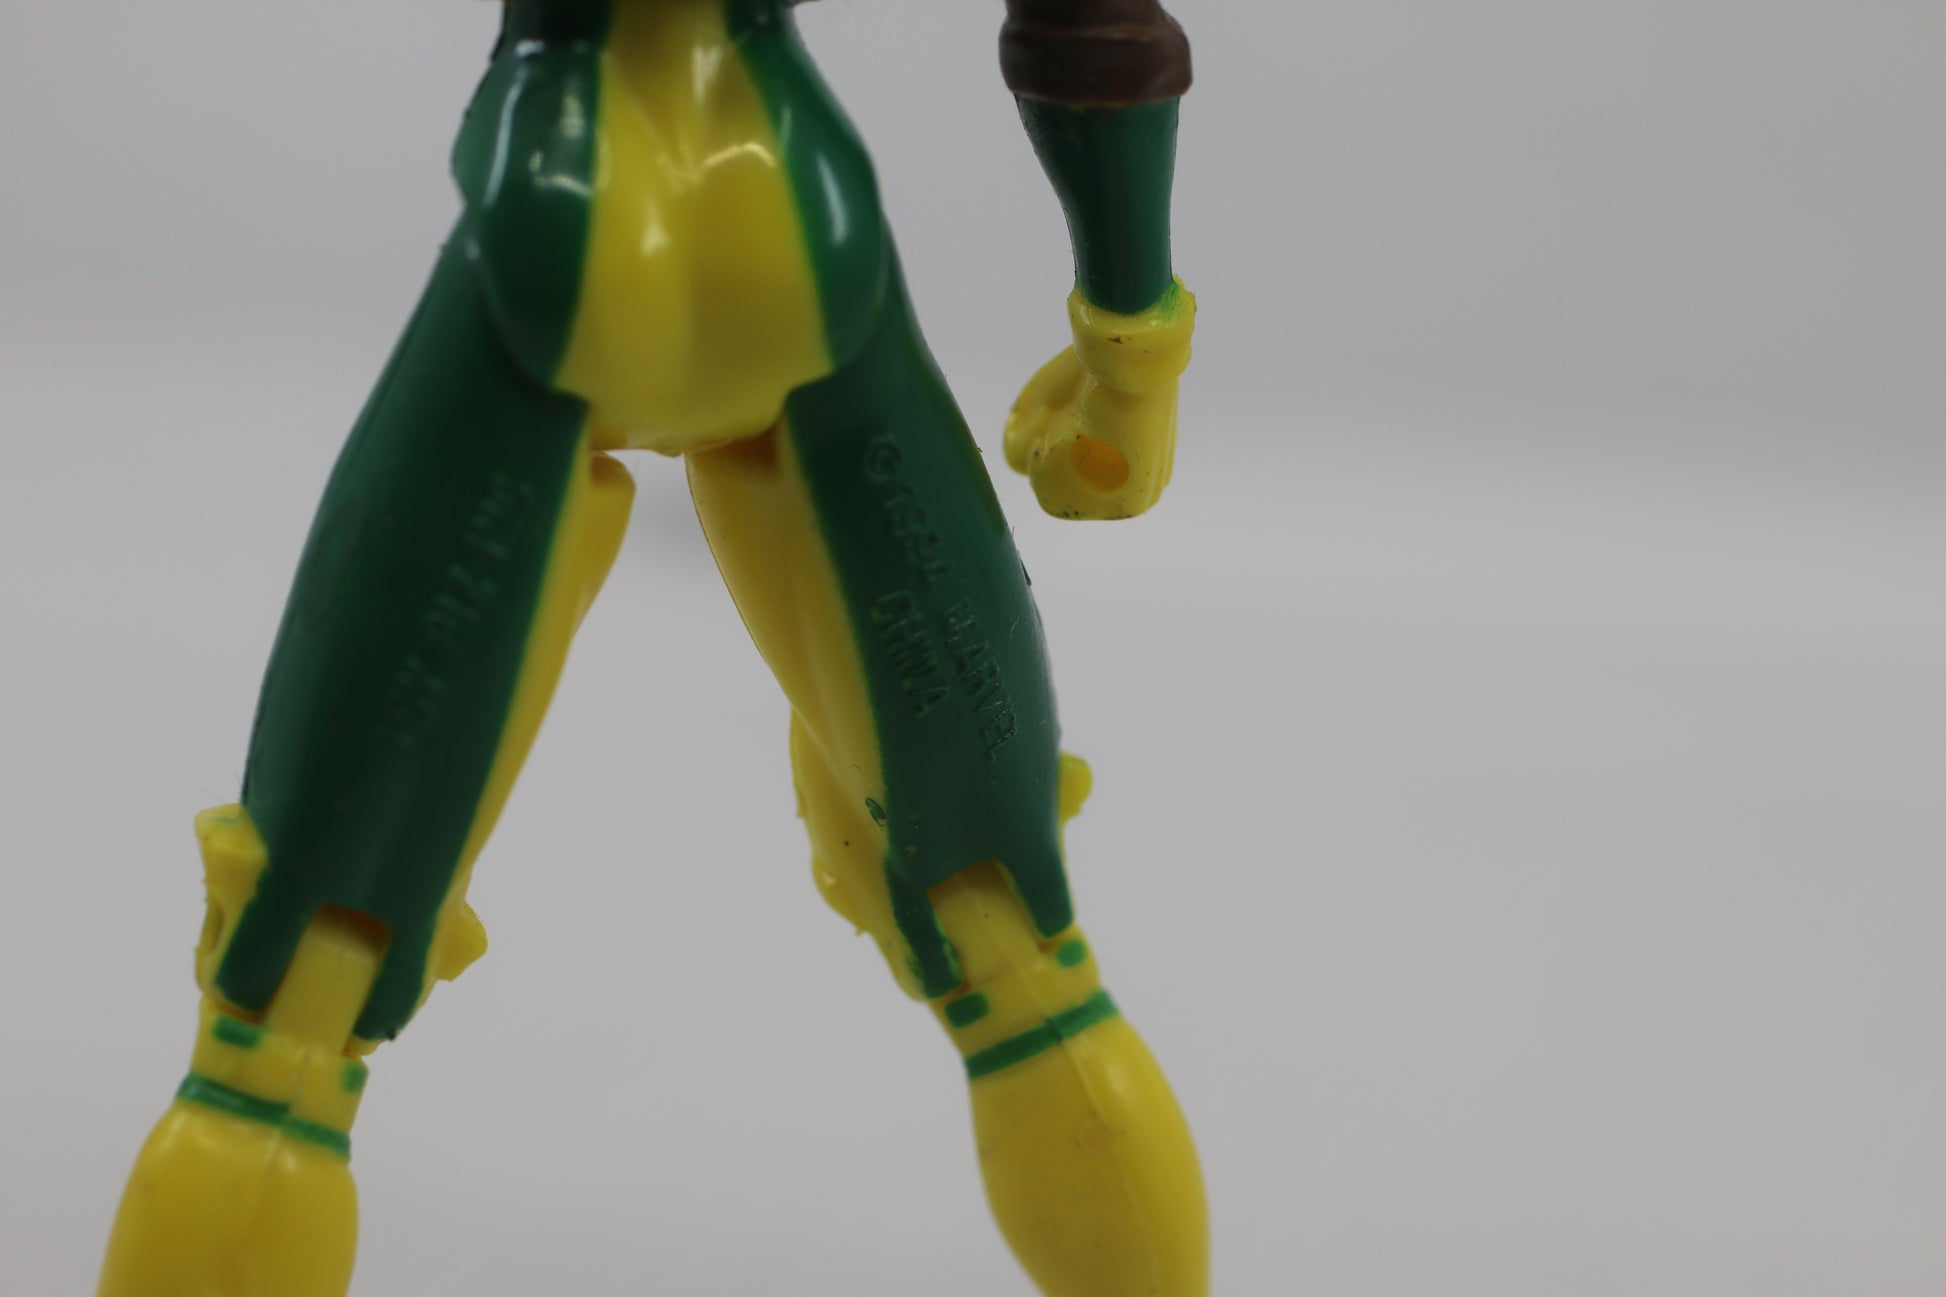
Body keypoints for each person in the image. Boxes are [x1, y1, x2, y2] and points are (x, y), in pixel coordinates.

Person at [98, 3, 1204, 1294]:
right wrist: (1133, 340)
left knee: (293, 1004)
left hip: (564, 208)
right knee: (1007, 933)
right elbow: (1091, 24)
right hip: (790, 210)